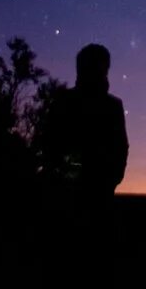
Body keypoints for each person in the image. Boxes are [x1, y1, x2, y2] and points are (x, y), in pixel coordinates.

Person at [44, 44, 128, 200]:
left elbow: (120, 148)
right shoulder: (111, 106)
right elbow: (53, 144)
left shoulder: (63, 101)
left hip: (89, 188)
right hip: (79, 190)